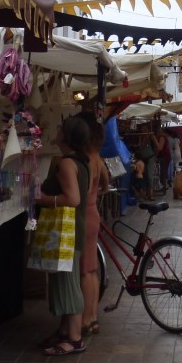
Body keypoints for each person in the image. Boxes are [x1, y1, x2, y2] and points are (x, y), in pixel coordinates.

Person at [35, 115, 91, 356]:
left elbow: (73, 199)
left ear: (67, 136)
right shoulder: (80, 161)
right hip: (71, 229)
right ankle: (66, 331)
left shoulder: (68, 164)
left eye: (60, 128)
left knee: (68, 283)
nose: (56, 131)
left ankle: (75, 338)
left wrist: (43, 199)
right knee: (63, 280)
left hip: (67, 230)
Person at [76, 112, 110, 338]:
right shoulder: (97, 157)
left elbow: (82, 192)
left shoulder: (85, 159)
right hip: (93, 213)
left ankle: (87, 318)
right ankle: (94, 317)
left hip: (84, 215)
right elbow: (105, 186)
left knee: (85, 271)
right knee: (92, 270)